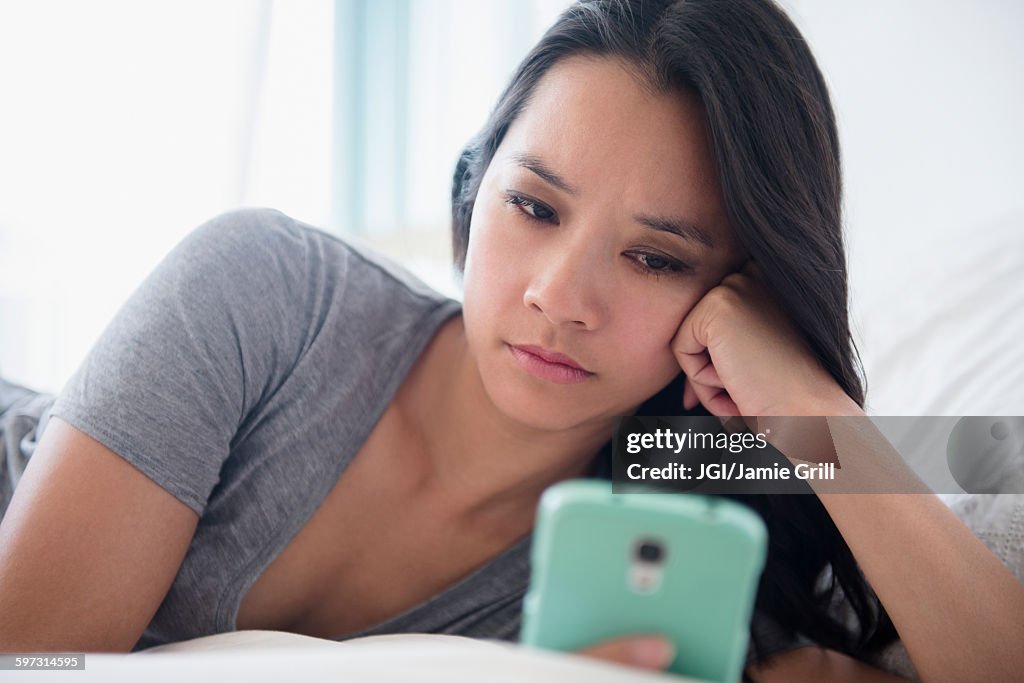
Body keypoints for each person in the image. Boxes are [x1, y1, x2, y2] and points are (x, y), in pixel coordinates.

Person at [1, 0, 1021, 681]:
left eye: (656, 257)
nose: (559, 295)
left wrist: (814, 409)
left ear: (737, 297)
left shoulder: (686, 506)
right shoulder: (262, 287)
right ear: (472, 185)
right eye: (534, 205)